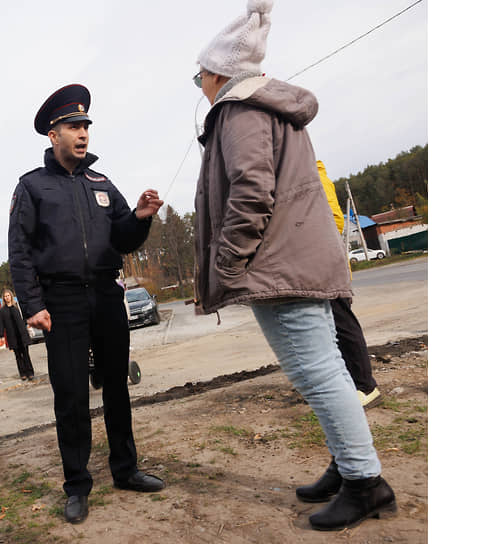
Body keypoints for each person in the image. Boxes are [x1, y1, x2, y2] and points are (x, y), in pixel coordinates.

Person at [190, 0, 395, 531]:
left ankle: (364, 482)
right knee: (324, 368)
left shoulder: (238, 112)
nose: (201, 88)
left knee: (318, 372)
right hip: (295, 259)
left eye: (200, 78)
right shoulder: (269, 108)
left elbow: (251, 193)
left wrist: (229, 263)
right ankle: (347, 460)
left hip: (277, 268)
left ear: (219, 74)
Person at [7, 84, 166, 525]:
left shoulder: (102, 183)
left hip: (106, 293)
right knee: (72, 395)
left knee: (116, 384)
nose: (83, 134)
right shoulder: (32, 187)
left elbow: (122, 237)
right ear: (53, 134)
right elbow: (19, 251)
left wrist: (138, 217)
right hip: (60, 302)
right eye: (73, 126)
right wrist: (32, 304)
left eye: (86, 127)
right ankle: (77, 485)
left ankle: (126, 469)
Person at [318, 160, 383, 409]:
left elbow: (336, 220)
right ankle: (345, 384)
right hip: (314, 267)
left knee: (343, 324)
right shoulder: (294, 172)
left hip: (327, 263)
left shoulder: (312, 173)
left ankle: (366, 387)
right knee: (327, 330)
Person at [0, 289, 35, 380]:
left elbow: (25, 317)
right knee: (18, 356)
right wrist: (1, 335)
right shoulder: (2, 311)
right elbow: (1, 323)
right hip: (12, 336)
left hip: (22, 334)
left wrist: (28, 325)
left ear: (11, 296)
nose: (7, 297)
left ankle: (30, 373)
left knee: (26, 354)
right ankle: (22, 374)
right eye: (5, 296)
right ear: (3, 298)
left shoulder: (17, 307)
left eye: (8, 295)